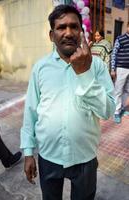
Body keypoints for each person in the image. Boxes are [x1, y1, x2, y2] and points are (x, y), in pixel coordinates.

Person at [20, 5, 115, 200]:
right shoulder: (40, 68)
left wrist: (84, 74)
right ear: (51, 35)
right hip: (49, 156)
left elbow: (107, 111)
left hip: (85, 157)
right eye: (61, 27)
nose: (68, 33)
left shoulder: (96, 66)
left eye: (74, 27)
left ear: (81, 31)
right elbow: (31, 111)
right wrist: (28, 152)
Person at [111, 22, 129, 123]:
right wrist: (113, 69)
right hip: (121, 68)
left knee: (127, 90)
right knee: (118, 90)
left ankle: (121, 108)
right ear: (127, 26)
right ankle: (116, 112)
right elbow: (114, 53)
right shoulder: (120, 39)